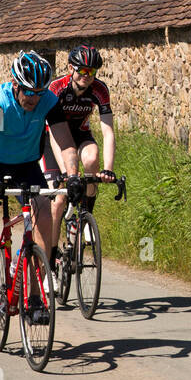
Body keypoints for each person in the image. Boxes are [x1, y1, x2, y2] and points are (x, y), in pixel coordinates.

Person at [0, 50, 83, 322]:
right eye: (29, 92)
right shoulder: (0, 101)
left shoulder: (48, 100)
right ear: (16, 84)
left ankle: (34, 297)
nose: (34, 98)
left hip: (27, 164)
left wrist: (73, 175)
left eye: (39, 92)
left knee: (44, 218)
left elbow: (64, 141)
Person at [39, 44, 117, 274]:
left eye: (91, 72)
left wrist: (108, 169)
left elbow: (108, 131)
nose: (86, 76)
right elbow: (53, 130)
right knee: (58, 203)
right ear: (71, 68)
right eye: (82, 71)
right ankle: (51, 259)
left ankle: (85, 215)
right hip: (53, 139)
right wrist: (67, 172)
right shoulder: (56, 88)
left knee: (92, 159)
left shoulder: (100, 90)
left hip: (81, 134)